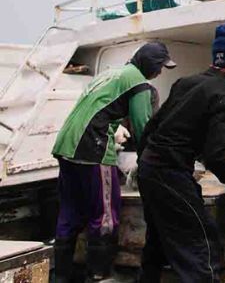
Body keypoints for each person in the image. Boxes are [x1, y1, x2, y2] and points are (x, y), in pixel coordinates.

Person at [136, 23, 225, 282]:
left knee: (157, 241)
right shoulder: (223, 95)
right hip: (170, 174)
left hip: (149, 169)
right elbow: (215, 154)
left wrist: (143, 164)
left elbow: (152, 128)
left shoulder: (186, 82)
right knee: (202, 242)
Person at [51, 42, 175, 282]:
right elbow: (142, 127)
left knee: (70, 212)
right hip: (92, 149)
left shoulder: (111, 73)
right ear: (149, 64)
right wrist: (151, 161)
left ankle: (61, 276)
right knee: (106, 214)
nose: (160, 72)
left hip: (66, 145)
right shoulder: (138, 82)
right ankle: (99, 274)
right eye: (160, 67)